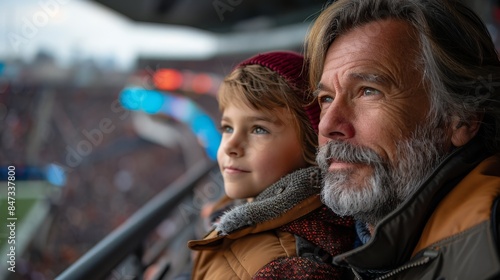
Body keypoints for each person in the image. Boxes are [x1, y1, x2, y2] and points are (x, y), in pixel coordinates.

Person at [304, 0, 500, 279]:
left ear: (462, 118)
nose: (327, 125)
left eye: (368, 91)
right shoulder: (306, 249)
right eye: (326, 98)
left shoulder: (491, 240)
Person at [187, 51, 356, 279]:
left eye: (259, 129)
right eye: (227, 128)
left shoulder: (288, 269)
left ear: (311, 147)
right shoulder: (237, 206)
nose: (230, 146)